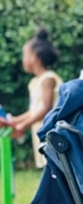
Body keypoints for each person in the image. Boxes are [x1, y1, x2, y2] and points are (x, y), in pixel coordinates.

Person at [7, 28, 62, 168]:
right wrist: (15, 120)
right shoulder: (35, 82)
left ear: (35, 57)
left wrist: (23, 125)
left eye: (25, 55)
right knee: (48, 168)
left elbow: (45, 108)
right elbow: (34, 110)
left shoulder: (48, 79)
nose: (23, 59)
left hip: (52, 132)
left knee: (55, 168)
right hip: (40, 131)